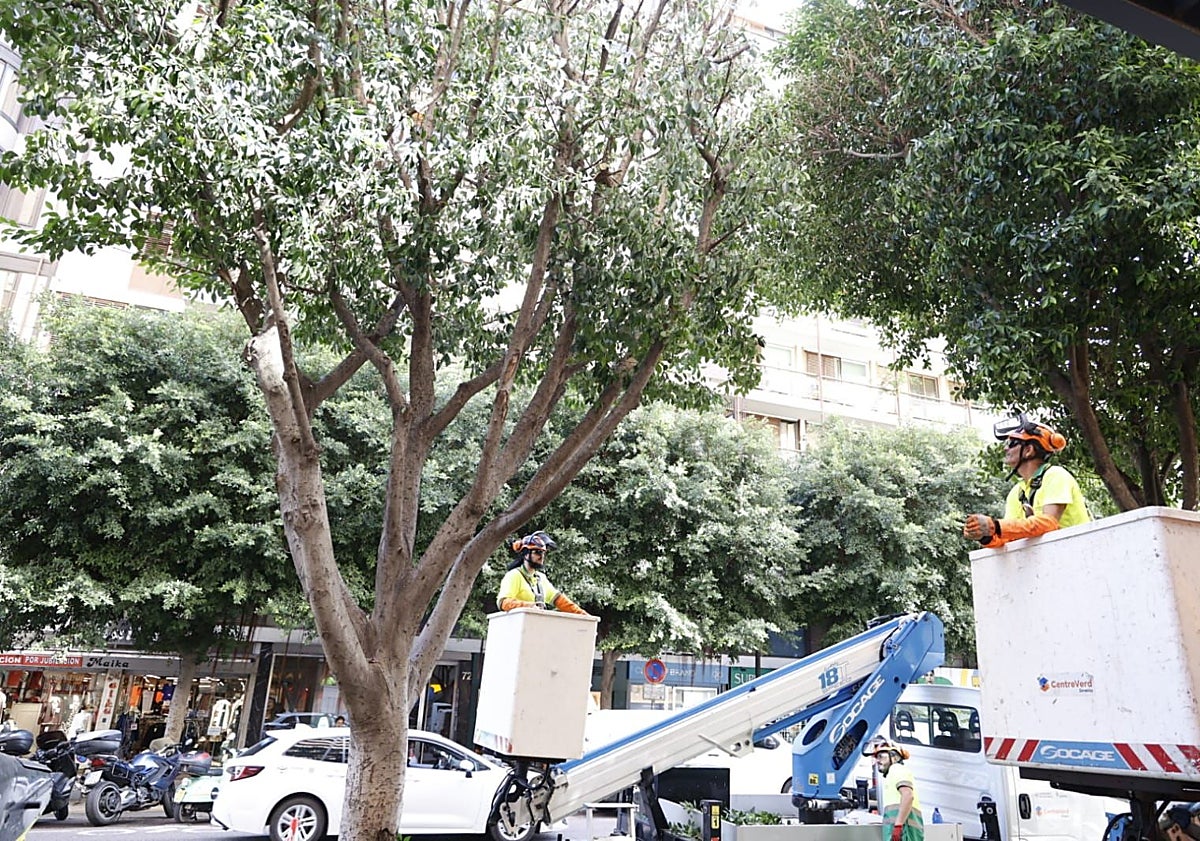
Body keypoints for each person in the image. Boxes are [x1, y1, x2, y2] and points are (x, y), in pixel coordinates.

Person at [962, 413, 1090, 548]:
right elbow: (1008, 537)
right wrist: (985, 535)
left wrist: (996, 526)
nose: (1006, 448)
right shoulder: (1017, 492)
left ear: (1029, 450)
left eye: (1012, 443)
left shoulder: (1056, 476)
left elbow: (1049, 524)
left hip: (1078, 553)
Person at [496, 531, 589, 615]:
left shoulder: (541, 578)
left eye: (543, 553)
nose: (542, 556)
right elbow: (503, 603)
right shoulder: (514, 576)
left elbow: (560, 601)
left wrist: (584, 616)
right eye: (537, 552)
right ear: (525, 553)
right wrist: (528, 606)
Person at [864, 736, 923, 841]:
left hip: (905, 833)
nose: (877, 761)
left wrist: (898, 826)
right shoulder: (891, 775)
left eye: (881, 756)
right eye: (876, 757)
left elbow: (908, 795)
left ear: (894, 757)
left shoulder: (897, 769)